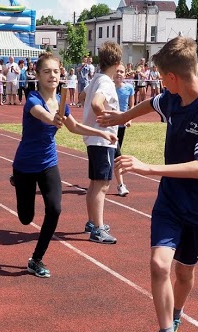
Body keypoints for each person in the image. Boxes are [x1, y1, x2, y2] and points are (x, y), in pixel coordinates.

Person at [99, 36, 198, 332]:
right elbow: (152, 104)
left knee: (184, 272)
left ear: (172, 77)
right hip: (170, 199)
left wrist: (146, 167)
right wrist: (121, 117)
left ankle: (175, 315)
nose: (160, 84)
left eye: (161, 77)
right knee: (158, 265)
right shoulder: (171, 98)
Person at [11, 53, 116, 279]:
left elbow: (74, 127)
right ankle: (17, 181)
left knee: (55, 209)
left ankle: (36, 259)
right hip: (25, 164)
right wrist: (53, 119)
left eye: (56, 71)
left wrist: (102, 132)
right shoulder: (33, 99)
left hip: (48, 163)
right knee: (26, 218)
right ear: (37, 75)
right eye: (47, 71)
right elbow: (41, 114)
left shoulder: (61, 102)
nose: (52, 76)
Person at [81, 41, 122, 244]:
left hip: (93, 138)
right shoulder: (106, 82)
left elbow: (83, 95)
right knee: (102, 185)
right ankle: (97, 229)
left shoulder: (96, 79)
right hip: (102, 139)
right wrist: (107, 119)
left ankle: (92, 222)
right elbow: (96, 103)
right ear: (117, 63)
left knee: (95, 183)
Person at [113, 64, 135, 197]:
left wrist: (129, 119)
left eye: (121, 71)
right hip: (110, 126)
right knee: (117, 155)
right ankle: (121, 185)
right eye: (117, 71)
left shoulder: (129, 88)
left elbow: (132, 106)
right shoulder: (108, 87)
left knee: (114, 154)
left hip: (122, 127)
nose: (119, 74)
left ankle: (101, 178)